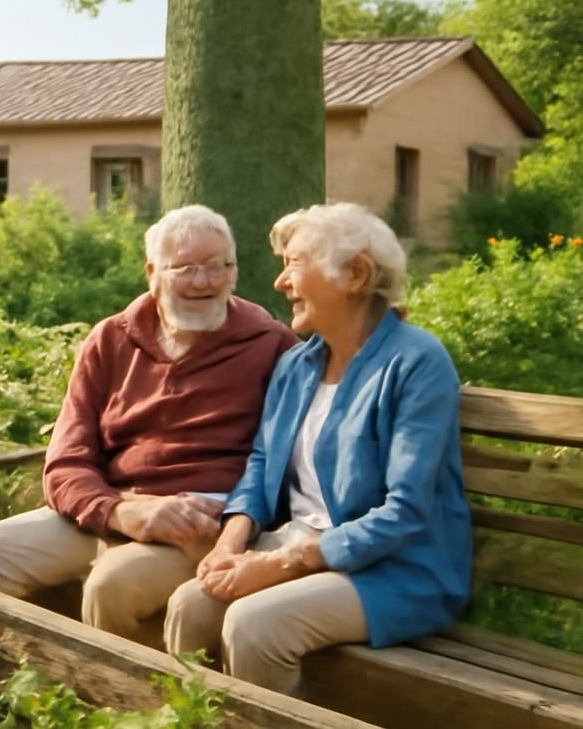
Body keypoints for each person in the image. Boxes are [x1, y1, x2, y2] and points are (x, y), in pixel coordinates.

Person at [0, 205, 298, 648]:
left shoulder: (272, 346)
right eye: (185, 268)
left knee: (112, 586)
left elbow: (278, 468)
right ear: (152, 272)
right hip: (107, 513)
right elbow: (65, 465)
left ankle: (126, 707)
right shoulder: (111, 339)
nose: (204, 282)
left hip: (198, 525)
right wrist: (123, 511)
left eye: (219, 266)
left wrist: (224, 524)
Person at [164, 202, 471, 695]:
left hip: (397, 570)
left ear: (356, 274)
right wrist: (230, 544)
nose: (280, 283)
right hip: (300, 547)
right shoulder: (297, 364)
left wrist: (280, 564)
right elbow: (262, 462)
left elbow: (406, 510)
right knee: (189, 606)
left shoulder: (417, 363)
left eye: (295, 263)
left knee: (255, 625)